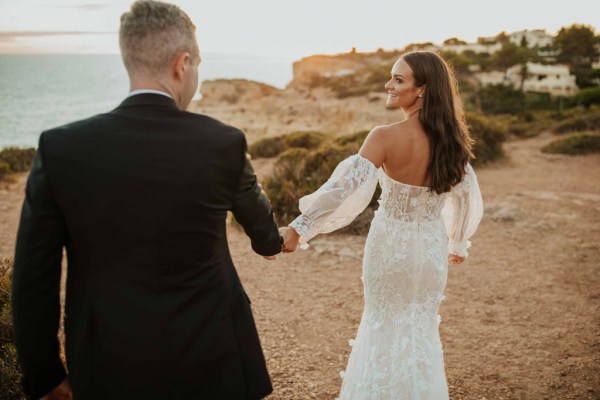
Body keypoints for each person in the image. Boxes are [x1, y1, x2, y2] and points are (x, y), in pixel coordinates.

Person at [11, 1, 282, 399]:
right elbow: (263, 232)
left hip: (107, 363)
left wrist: (45, 374)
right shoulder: (223, 142)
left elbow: (33, 277)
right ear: (182, 64)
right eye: (198, 65)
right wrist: (277, 240)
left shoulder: (60, 149)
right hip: (214, 356)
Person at [280, 51, 484, 399]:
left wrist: (299, 229)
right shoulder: (453, 142)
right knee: (420, 330)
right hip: (431, 251)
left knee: (382, 325)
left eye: (398, 79)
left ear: (422, 89)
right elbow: (466, 197)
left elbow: (342, 190)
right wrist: (457, 243)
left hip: (390, 248)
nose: (389, 85)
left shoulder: (384, 136)